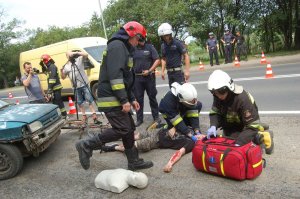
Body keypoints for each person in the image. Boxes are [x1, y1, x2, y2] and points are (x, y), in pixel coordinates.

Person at [75, 21, 153, 171]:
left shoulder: (124, 47)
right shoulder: (117, 46)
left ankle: (133, 161)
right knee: (122, 128)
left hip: (117, 96)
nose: (139, 43)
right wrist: (124, 99)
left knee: (129, 129)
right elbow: (115, 76)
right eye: (139, 39)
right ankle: (86, 145)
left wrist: (131, 98)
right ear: (131, 34)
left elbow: (126, 78)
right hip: (111, 98)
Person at [206, 69, 274, 154]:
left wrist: (239, 143)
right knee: (227, 144)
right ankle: (245, 133)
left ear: (228, 87)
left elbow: (252, 126)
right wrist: (213, 126)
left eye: (221, 92)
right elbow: (214, 113)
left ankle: (264, 135)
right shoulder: (218, 96)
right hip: (231, 125)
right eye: (214, 93)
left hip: (245, 126)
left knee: (243, 145)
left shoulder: (242, 99)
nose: (218, 96)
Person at [61, 50, 100, 124]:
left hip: (84, 84)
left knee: (90, 100)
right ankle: (84, 116)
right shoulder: (66, 66)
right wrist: (61, 72)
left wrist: (76, 53)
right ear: (67, 56)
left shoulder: (79, 59)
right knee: (79, 102)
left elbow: (86, 54)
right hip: (75, 87)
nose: (71, 56)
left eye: (71, 55)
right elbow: (63, 77)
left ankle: (94, 116)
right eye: (69, 55)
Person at [133, 37, 161, 127]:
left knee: (152, 97)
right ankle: (139, 119)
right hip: (137, 78)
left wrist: (149, 70)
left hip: (149, 77)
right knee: (138, 99)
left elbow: (157, 60)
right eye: (139, 40)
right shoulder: (133, 48)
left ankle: (156, 117)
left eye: (142, 40)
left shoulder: (150, 47)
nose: (141, 42)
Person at [158, 23, 190, 88]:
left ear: (170, 34)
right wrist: (162, 71)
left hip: (178, 72)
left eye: (166, 35)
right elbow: (163, 59)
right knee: (173, 92)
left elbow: (186, 56)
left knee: (181, 93)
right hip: (169, 73)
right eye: (163, 36)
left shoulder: (177, 43)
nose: (165, 37)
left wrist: (187, 71)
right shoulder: (163, 46)